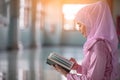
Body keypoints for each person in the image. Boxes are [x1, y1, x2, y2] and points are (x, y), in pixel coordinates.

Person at [53, 1, 119, 80]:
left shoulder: (98, 47)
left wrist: (66, 74)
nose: (79, 29)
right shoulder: (97, 43)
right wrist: (77, 67)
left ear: (90, 23)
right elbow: (94, 72)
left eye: (80, 25)